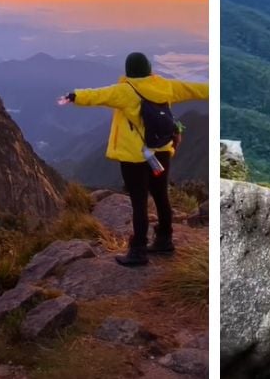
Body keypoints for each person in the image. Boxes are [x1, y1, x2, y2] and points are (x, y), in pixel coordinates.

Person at [60, 52, 209, 266]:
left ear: (128, 71)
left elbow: (97, 95)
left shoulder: (125, 91)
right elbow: (195, 89)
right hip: (162, 150)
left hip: (134, 157)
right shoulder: (165, 86)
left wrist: (73, 96)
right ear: (149, 69)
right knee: (161, 196)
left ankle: (138, 250)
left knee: (139, 201)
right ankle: (164, 240)